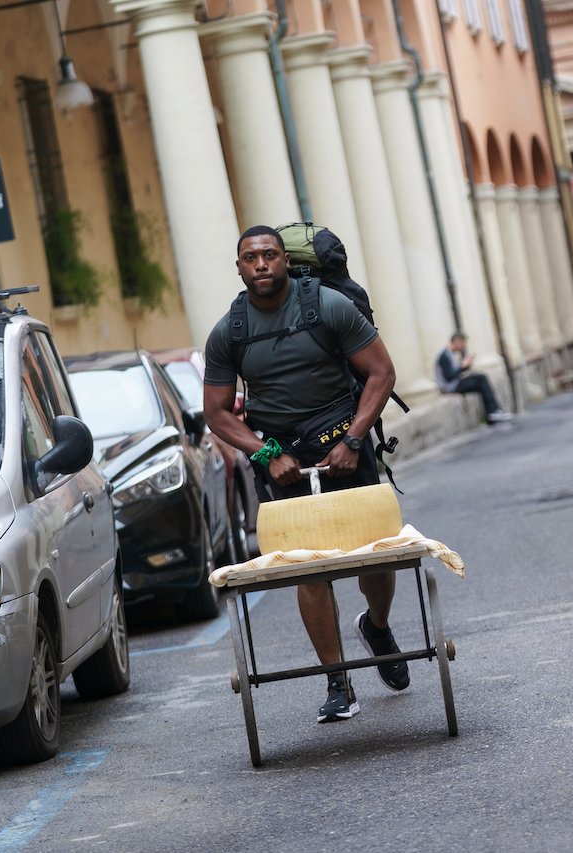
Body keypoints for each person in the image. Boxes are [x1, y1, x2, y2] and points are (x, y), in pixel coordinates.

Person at [202, 225, 408, 724]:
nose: (262, 264)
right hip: (283, 457)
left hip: (344, 439)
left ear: (285, 262)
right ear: (239, 267)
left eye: (270, 255)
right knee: (308, 568)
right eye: (251, 258)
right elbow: (217, 412)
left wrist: (354, 441)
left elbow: (381, 372)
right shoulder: (229, 331)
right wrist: (266, 453)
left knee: (373, 558)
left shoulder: (329, 306)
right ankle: (338, 682)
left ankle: (376, 627)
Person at [435, 332, 512, 423]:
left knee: (480, 379)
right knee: (481, 379)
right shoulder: (444, 355)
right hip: (450, 387)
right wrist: (462, 366)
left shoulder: (449, 354)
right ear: (457, 342)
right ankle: (493, 412)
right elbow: (449, 376)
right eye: (462, 344)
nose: (463, 347)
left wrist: (466, 366)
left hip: (453, 384)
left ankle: (493, 412)